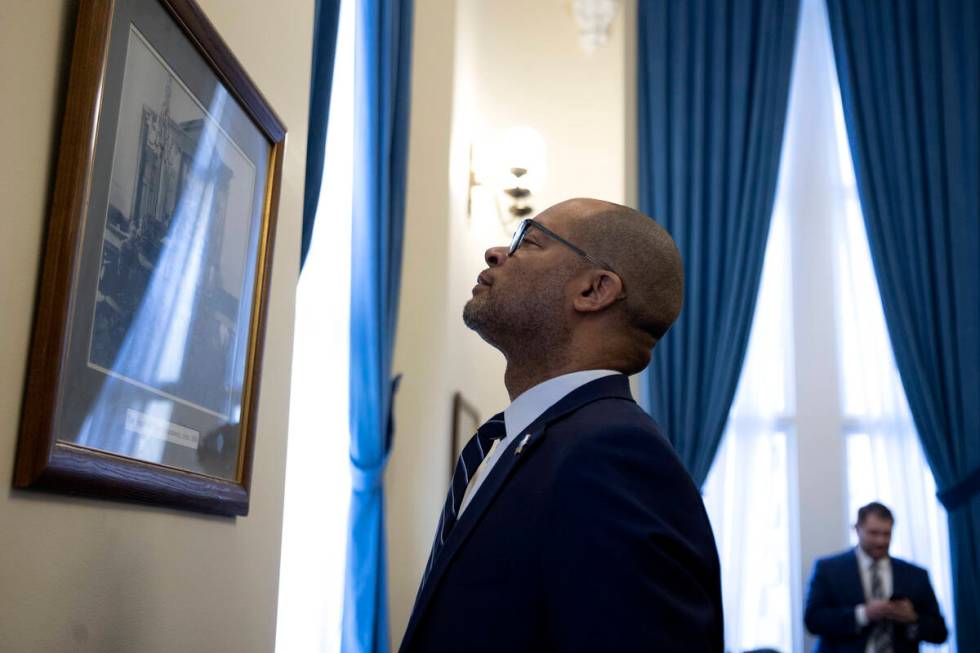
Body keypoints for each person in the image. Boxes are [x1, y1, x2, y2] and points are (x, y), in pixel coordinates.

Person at [398, 198, 723, 652]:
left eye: (526, 242)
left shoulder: (613, 455)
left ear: (594, 291)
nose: (495, 252)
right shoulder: (533, 442)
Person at [804, 501, 948, 653]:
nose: (881, 541)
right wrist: (862, 614)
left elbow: (940, 633)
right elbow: (813, 620)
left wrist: (912, 619)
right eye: (874, 533)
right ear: (857, 529)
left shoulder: (915, 575)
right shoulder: (828, 569)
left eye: (887, 534)